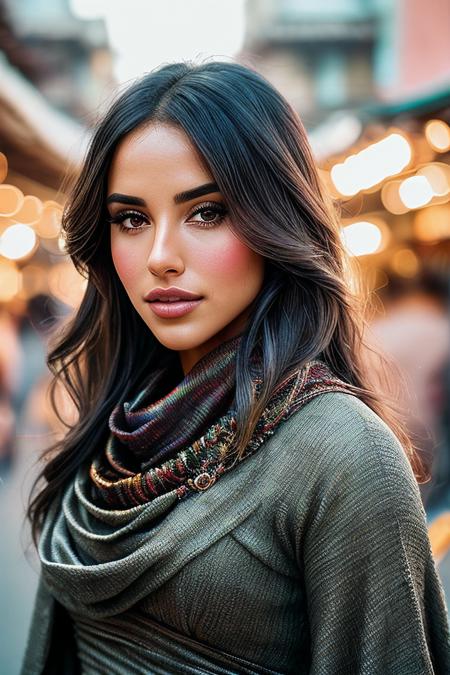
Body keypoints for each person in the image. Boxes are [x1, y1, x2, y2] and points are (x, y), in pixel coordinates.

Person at [22, 61, 450, 675]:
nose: (161, 257)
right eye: (132, 219)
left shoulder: (342, 453)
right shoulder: (122, 422)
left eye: (207, 212)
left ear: (277, 221)